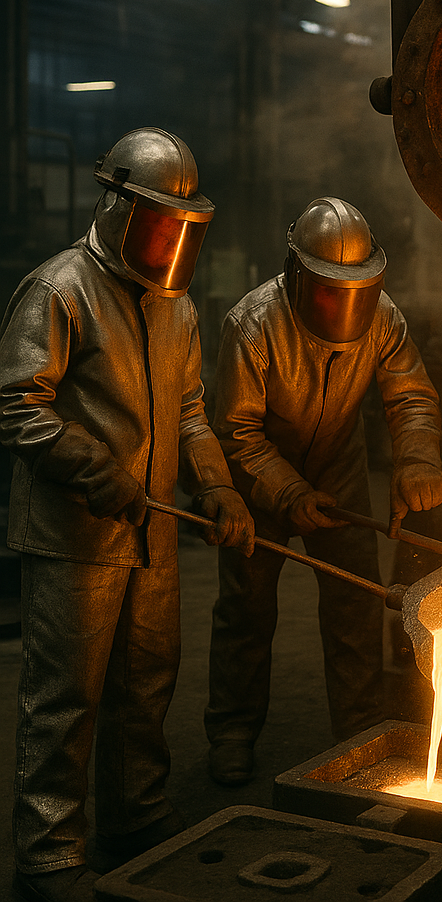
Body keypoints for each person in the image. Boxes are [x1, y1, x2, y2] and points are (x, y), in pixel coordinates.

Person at [0, 128, 255, 902]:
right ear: (116, 207)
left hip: (155, 536)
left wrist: (217, 488)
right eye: (159, 221)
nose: (171, 238)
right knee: (66, 698)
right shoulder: (60, 289)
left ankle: (136, 817)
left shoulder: (173, 307)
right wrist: (92, 468)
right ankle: (48, 855)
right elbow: (17, 402)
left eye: (184, 226)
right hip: (77, 536)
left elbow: (189, 412)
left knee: (147, 683)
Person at [204, 196, 442, 785]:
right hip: (262, 476)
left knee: (355, 601)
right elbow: (235, 430)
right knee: (247, 607)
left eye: (356, 288)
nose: (344, 303)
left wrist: (416, 459)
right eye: (330, 289)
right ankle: (233, 729)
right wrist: (286, 493)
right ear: (296, 275)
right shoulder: (252, 324)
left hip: (338, 467)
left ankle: (361, 731)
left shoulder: (382, 317)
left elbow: (411, 397)